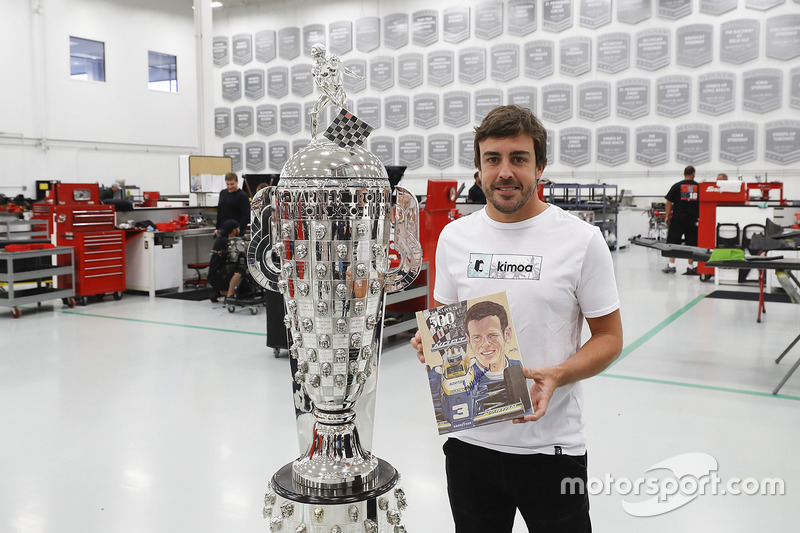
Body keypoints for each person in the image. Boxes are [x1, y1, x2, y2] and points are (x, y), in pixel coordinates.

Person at [410, 105, 622, 533]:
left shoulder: (581, 240)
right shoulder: (455, 237)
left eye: (519, 158)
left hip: (551, 447)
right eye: (493, 159)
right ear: (478, 170)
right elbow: (446, 320)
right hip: (469, 444)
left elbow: (609, 337)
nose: (505, 172)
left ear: (540, 166)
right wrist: (431, 341)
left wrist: (560, 374)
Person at [309, 43, 365, 139]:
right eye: (312, 53)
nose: (312, 55)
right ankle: (313, 140)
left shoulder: (333, 60)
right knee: (314, 113)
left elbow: (345, 70)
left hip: (338, 90)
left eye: (314, 53)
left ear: (320, 53)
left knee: (343, 112)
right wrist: (332, 98)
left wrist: (357, 77)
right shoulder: (315, 69)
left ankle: (347, 138)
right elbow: (321, 86)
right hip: (327, 92)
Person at [662, 165, 700, 274]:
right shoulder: (698, 187)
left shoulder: (677, 186)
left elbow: (669, 202)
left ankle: (672, 265)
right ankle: (690, 266)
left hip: (678, 218)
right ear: (693, 174)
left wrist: (667, 216)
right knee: (692, 242)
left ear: (684, 174)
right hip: (693, 219)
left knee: (673, 242)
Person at [208, 219, 244, 302]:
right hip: (218, 276)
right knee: (241, 269)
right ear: (234, 230)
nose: (239, 230)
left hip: (215, 275)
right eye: (238, 228)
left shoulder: (221, 239)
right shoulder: (227, 241)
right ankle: (230, 295)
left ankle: (220, 291)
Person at [215, 172, 250, 236]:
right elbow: (220, 211)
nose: (230, 187)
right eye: (228, 184)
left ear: (237, 182)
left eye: (232, 184)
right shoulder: (222, 193)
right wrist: (217, 227)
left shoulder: (243, 196)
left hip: (236, 232)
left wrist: (239, 230)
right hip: (223, 230)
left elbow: (245, 216)